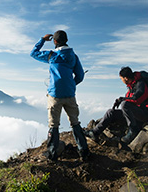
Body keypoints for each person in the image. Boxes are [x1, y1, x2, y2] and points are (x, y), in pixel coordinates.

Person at [30, 30, 90, 161]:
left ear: (55, 41)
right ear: (66, 40)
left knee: (53, 125)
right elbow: (80, 75)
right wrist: (71, 85)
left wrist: (42, 40)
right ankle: (84, 152)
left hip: (55, 94)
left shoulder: (52, 55)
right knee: (75, 123)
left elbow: (33, 53)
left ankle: (52, 154)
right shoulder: (73, 56)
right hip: (70, 94)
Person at [85, 67, 148, 144]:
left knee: (125, 104)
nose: (121, 80)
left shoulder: (141, 84)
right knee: (110, 112)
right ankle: (94, 133)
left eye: (121, 78)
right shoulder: (131, 86)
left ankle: (133, 130)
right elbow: (130, 99)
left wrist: (123, 99)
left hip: (144, 114)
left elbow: (137, 98)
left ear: (126, 78)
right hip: (134, 113)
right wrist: (121, 99)